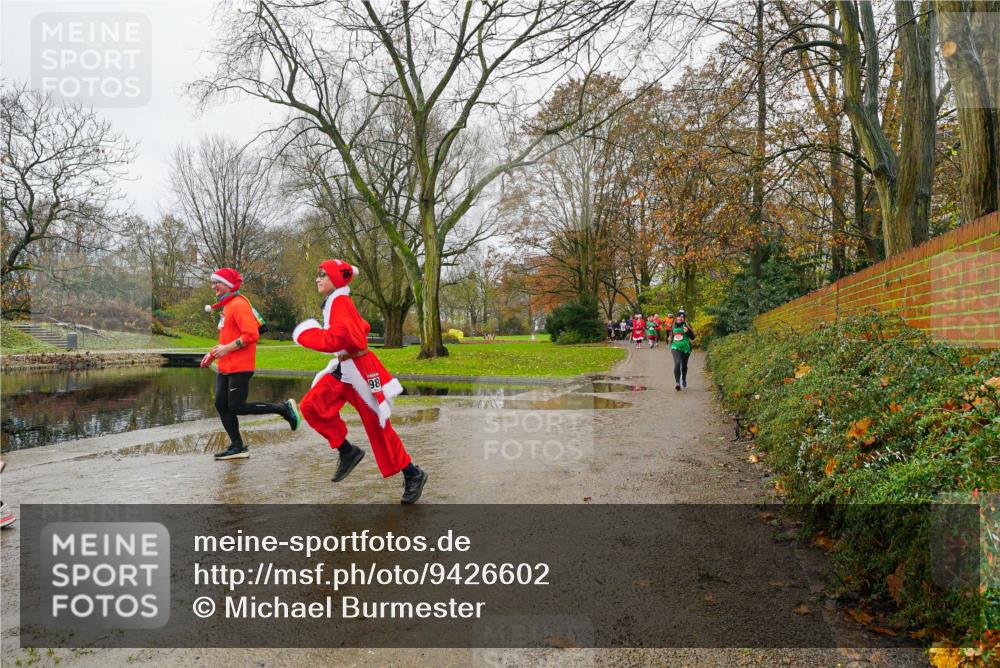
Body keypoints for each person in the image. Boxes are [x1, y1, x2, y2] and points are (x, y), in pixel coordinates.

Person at [293, 259, 427, 504]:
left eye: (322, 274)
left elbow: (340, 337)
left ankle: (413, 473)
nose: (317, 278)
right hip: (344, 369)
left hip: (362, 373)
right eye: (318, 274)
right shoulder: (335, 302)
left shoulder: (341, 302)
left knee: (379, 425)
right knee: (311, 406)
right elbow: (354, 331)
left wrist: (304, 334)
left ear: (335, 278)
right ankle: (347, 451)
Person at [201, 267, 302, 460]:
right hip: (226, 365)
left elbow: (251, 335)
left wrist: (225, 349)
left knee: (237, 406)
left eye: (217, 283)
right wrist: (213, 354)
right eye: (213, 282)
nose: (213, 286)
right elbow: (227, 338)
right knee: (221, 404)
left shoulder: (239, 304)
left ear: (229, 285)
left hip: (240, 365)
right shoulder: (227, 306)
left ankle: (283, 408)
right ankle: (237, 446)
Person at [670, 309, 696, 390]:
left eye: (682, 317)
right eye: (679, 316)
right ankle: (677, 383)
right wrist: (670, 339)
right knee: (677, 362)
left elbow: (693, 337)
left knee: (684, 365)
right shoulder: (673, 325)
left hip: (686, 348)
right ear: (676, 317)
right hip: (675, 347)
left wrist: (688, 331)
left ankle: (683, 379)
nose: (680, 318)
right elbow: (672, 335)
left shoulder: (687, 325)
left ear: (684, 318)